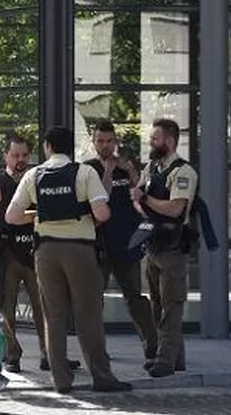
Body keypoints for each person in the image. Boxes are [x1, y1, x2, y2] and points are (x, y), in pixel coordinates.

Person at [6, 126, 132, 394]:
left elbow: (11, 217)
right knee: (88, 315)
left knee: (54, 316)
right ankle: (102, 376)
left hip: (45, 251)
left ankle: (61, 380)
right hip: (80, 250)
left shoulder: (33, 174)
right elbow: (103, 213)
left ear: (47, 147)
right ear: (69, 148)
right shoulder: (84, 172)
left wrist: (41, 215)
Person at [0, 136, 80, 374]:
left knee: (46, 306)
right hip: (6, 252)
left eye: (25, 155)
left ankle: (50, 354)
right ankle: (11, 355)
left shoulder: (39, 179)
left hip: (35, 250)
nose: (20, 160)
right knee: (5, 307)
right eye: (15, 155)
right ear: (5, 155)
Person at [85, 121, 158, 366]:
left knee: (135, 296)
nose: (105, 146)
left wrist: (131, 173)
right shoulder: (88, 169)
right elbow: (100, 200)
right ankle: (98, 351)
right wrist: (106, 172)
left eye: (109, 141)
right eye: (100, 141)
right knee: (96, 299)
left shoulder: (128, 165)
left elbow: (141, 196)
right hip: (100, 244)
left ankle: (152, 346)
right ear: (93, 142)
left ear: (115, 141)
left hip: (126, 240)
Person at [131, 118, 198, 378]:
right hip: (153, 245)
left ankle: (165, 360)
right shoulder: (152, 168)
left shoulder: (183, 172)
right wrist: (142, 201)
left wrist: (145, 199)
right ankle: (175, 357)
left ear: (169, 141)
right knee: (156, 304)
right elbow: (137, 200)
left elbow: (175, 208)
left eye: (155, 139)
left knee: (172, 304)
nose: (151, 142)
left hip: (172, 246)